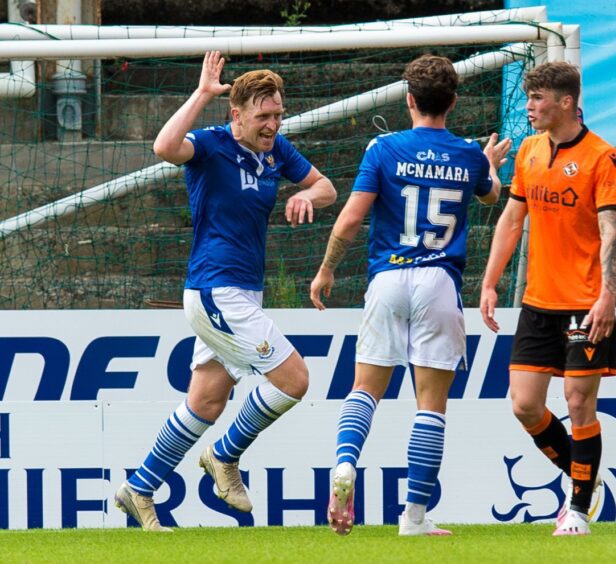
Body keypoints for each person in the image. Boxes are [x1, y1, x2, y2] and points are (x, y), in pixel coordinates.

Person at [114, 51, 336, 532]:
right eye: (264, 115)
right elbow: (163, 146)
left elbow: (327, 188)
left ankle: (138, 488)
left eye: (278, 114)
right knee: (294, 380)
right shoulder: (212, 145)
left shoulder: (278, 151)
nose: (273, 124)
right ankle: (222, 455)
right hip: (216, 291)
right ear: (236, 114)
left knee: (206, 403)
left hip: (243, 294)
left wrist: (304, 194)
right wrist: (201, 93)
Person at [309, 54, 511, 537]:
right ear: (454, 102)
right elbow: (490, 196)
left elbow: (352, 219)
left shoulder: (383, 148)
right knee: (430, 405)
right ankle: (414, 518)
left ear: (409, 100)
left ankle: (344, 463)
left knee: (364, 389)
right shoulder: (466, 153)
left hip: (387, 280)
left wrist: (326, 269)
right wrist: (488, 164)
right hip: (439, 282)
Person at [479, 61, 616, 536]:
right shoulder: (528, 150)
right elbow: (511, 220)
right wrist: (489, 280)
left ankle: (578, 510)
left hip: (586, 302)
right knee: (524, 404)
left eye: (538, 99)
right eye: (529, 98)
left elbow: (611, 232)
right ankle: (585, 478)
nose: (529, 107)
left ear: (566, 102)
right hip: (539, 302)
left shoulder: (603, 157)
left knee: (579, 403)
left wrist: (607, 295)